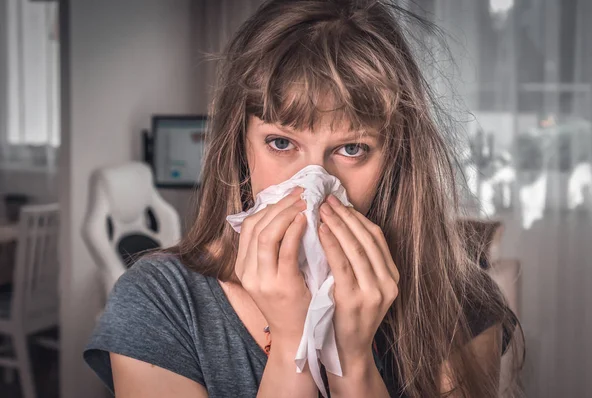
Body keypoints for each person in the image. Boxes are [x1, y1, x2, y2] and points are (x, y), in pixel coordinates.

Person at [84, 0, 524, 397]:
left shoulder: (461, 300)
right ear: (241, 145)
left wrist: (351, 364)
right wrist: (293, 345)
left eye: (351, 149)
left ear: (394, 158)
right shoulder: (159, 302)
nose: (311, 186)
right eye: (280, 143)